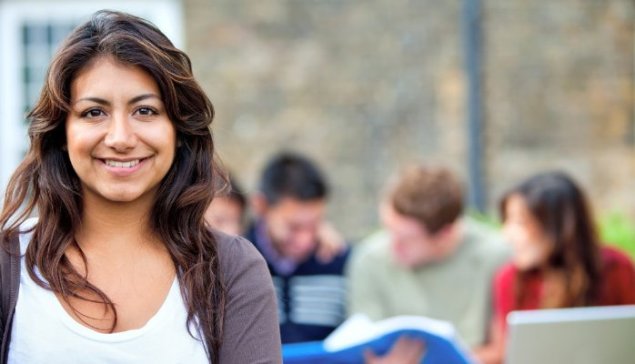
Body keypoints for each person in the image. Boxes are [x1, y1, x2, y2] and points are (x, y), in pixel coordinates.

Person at [0, 10, 281, 364]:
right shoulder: (8, 267)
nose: (120, 138)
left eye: (145, 111)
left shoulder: (231, 270)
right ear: (61, 133)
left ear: (178, 130)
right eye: (93, 113)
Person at [476, 171, 635, 364]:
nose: (507, 235)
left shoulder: (615, 268)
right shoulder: (509, 279)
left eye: (519, 223)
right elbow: (505, 354)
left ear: (557, 226)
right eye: (507, 221)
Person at [348, 164, 510, 353]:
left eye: (406, 239)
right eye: (388, 229)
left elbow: (505, 350)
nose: (392, 245)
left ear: (446, 234)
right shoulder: (370, 258)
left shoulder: (497, 256)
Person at [245, 152, 350, 344]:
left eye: (314, 224)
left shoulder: (340, 260)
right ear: (261, 206)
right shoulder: (236, 262)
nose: (305, 240)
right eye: (293, 227)